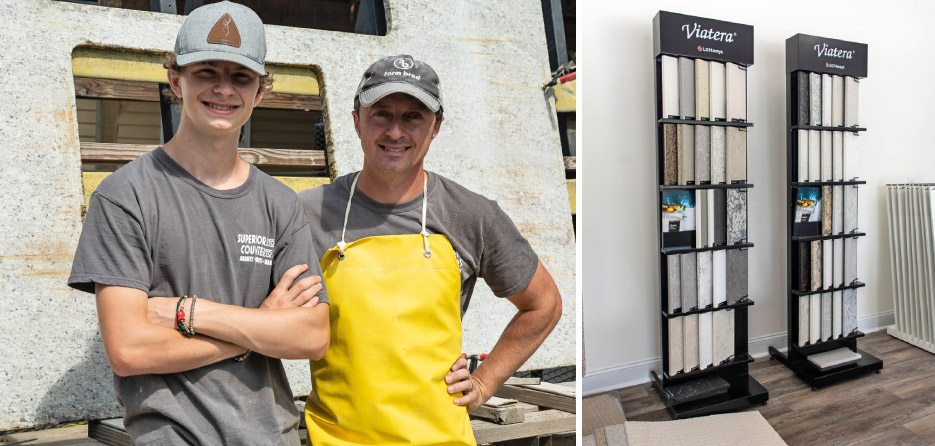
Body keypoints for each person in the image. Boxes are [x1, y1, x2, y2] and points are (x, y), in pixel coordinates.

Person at [66, 2, 329, 444]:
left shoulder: (280, 203)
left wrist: (191, 312)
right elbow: (129, 350)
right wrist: (259, 329)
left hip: (275, 436)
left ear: (259, 93)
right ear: (176, 81)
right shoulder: (125, 195)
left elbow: (311, 336)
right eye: (207, 71)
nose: (224, 89)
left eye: (241, 76)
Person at [298, 55, 563, 445]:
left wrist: (485, 382)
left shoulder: (472, 215)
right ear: (356, 120)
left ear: (436, 127)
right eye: (381, 114)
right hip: (336, 438)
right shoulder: (308, 213)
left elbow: (545, 303)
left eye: (413, 117)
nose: (395, 131)